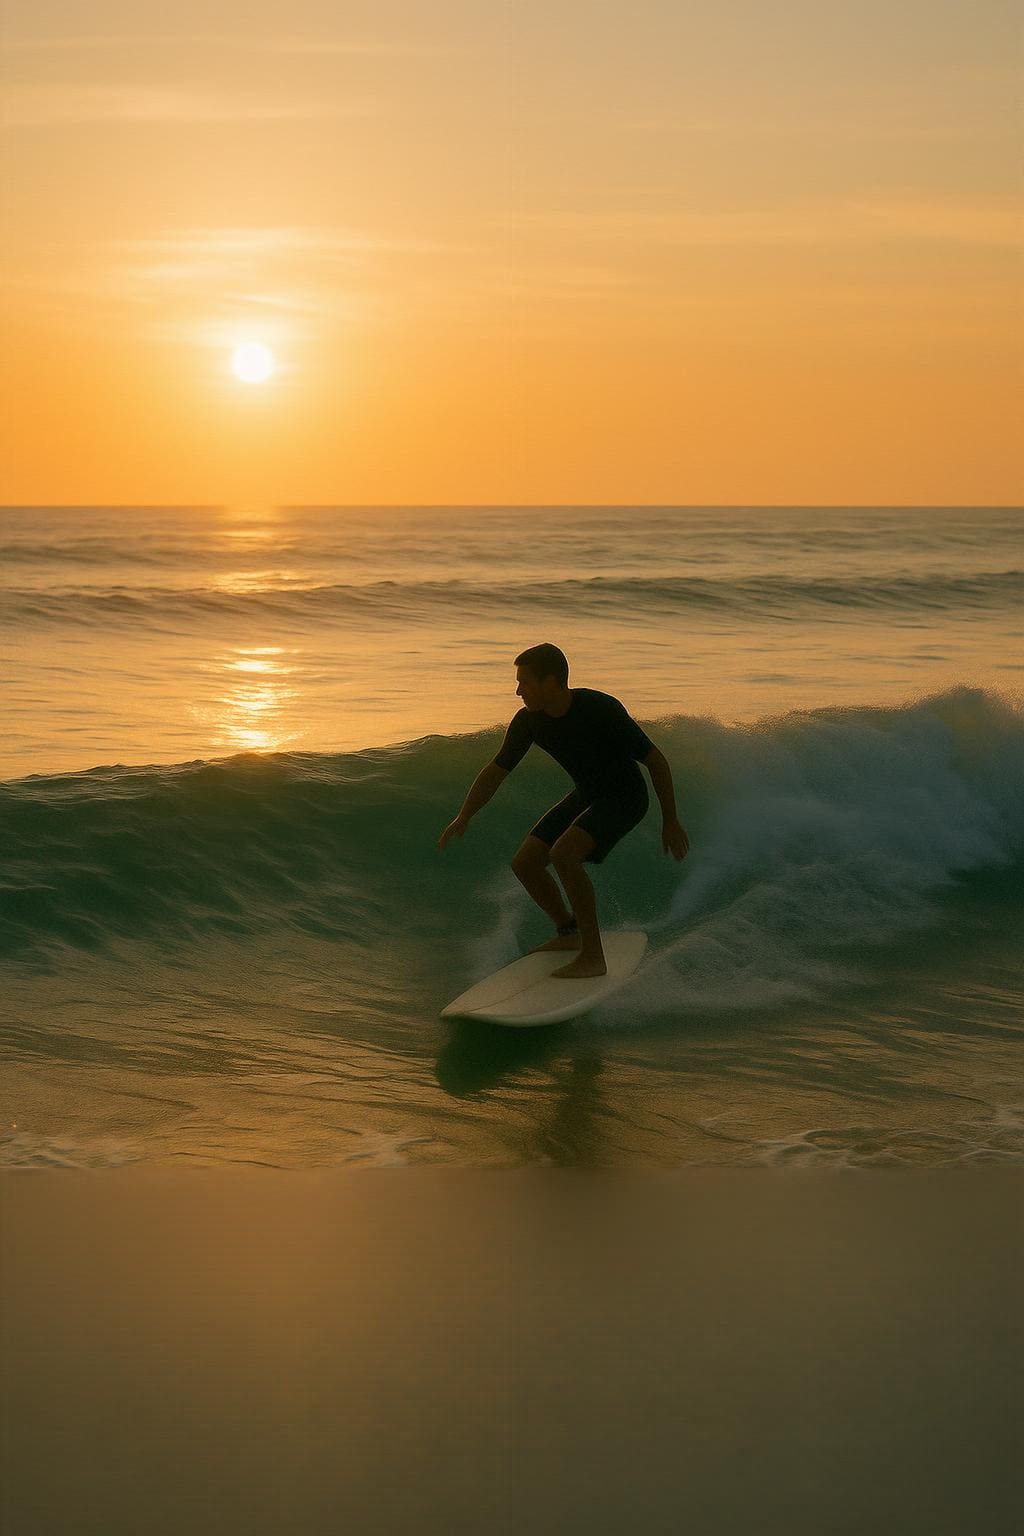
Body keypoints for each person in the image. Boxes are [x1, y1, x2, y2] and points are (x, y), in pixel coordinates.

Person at [438, 644, 689, 979]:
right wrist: (465, 814)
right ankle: (569, 932)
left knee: (564, 856)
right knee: (526, 864)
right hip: (587, 795)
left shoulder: (601, 709)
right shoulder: (529, 722)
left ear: (551, 681)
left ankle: (593, 957)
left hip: (625, 797)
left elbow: (655, 760)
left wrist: (670, 821)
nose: (517, 691)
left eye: (525, 682)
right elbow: (497, 769)